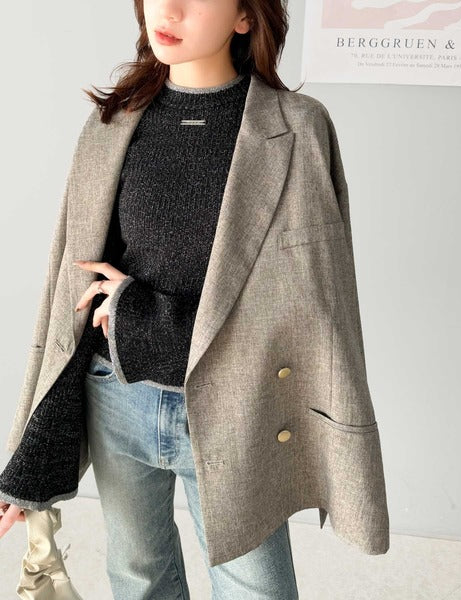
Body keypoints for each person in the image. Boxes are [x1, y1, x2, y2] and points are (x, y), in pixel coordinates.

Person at [1, 0, 391, 597]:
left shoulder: (297, 128)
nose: (170, 9)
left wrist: (139, 312)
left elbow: (310, 303)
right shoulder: (111, 124)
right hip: (116, 395)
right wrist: (26, 459)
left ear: (244, 17)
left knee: (254, 588)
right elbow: (66, 300)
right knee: (138, 576)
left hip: (239, 404)